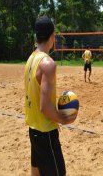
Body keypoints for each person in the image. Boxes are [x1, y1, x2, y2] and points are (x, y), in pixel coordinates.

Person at [24, 16, 77, 176]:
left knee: (36, 172)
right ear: (52, 36)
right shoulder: (48, 64)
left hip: (33, 129)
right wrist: (64, 119)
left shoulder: (31, 58)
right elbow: (45, 106)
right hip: (46, 132)